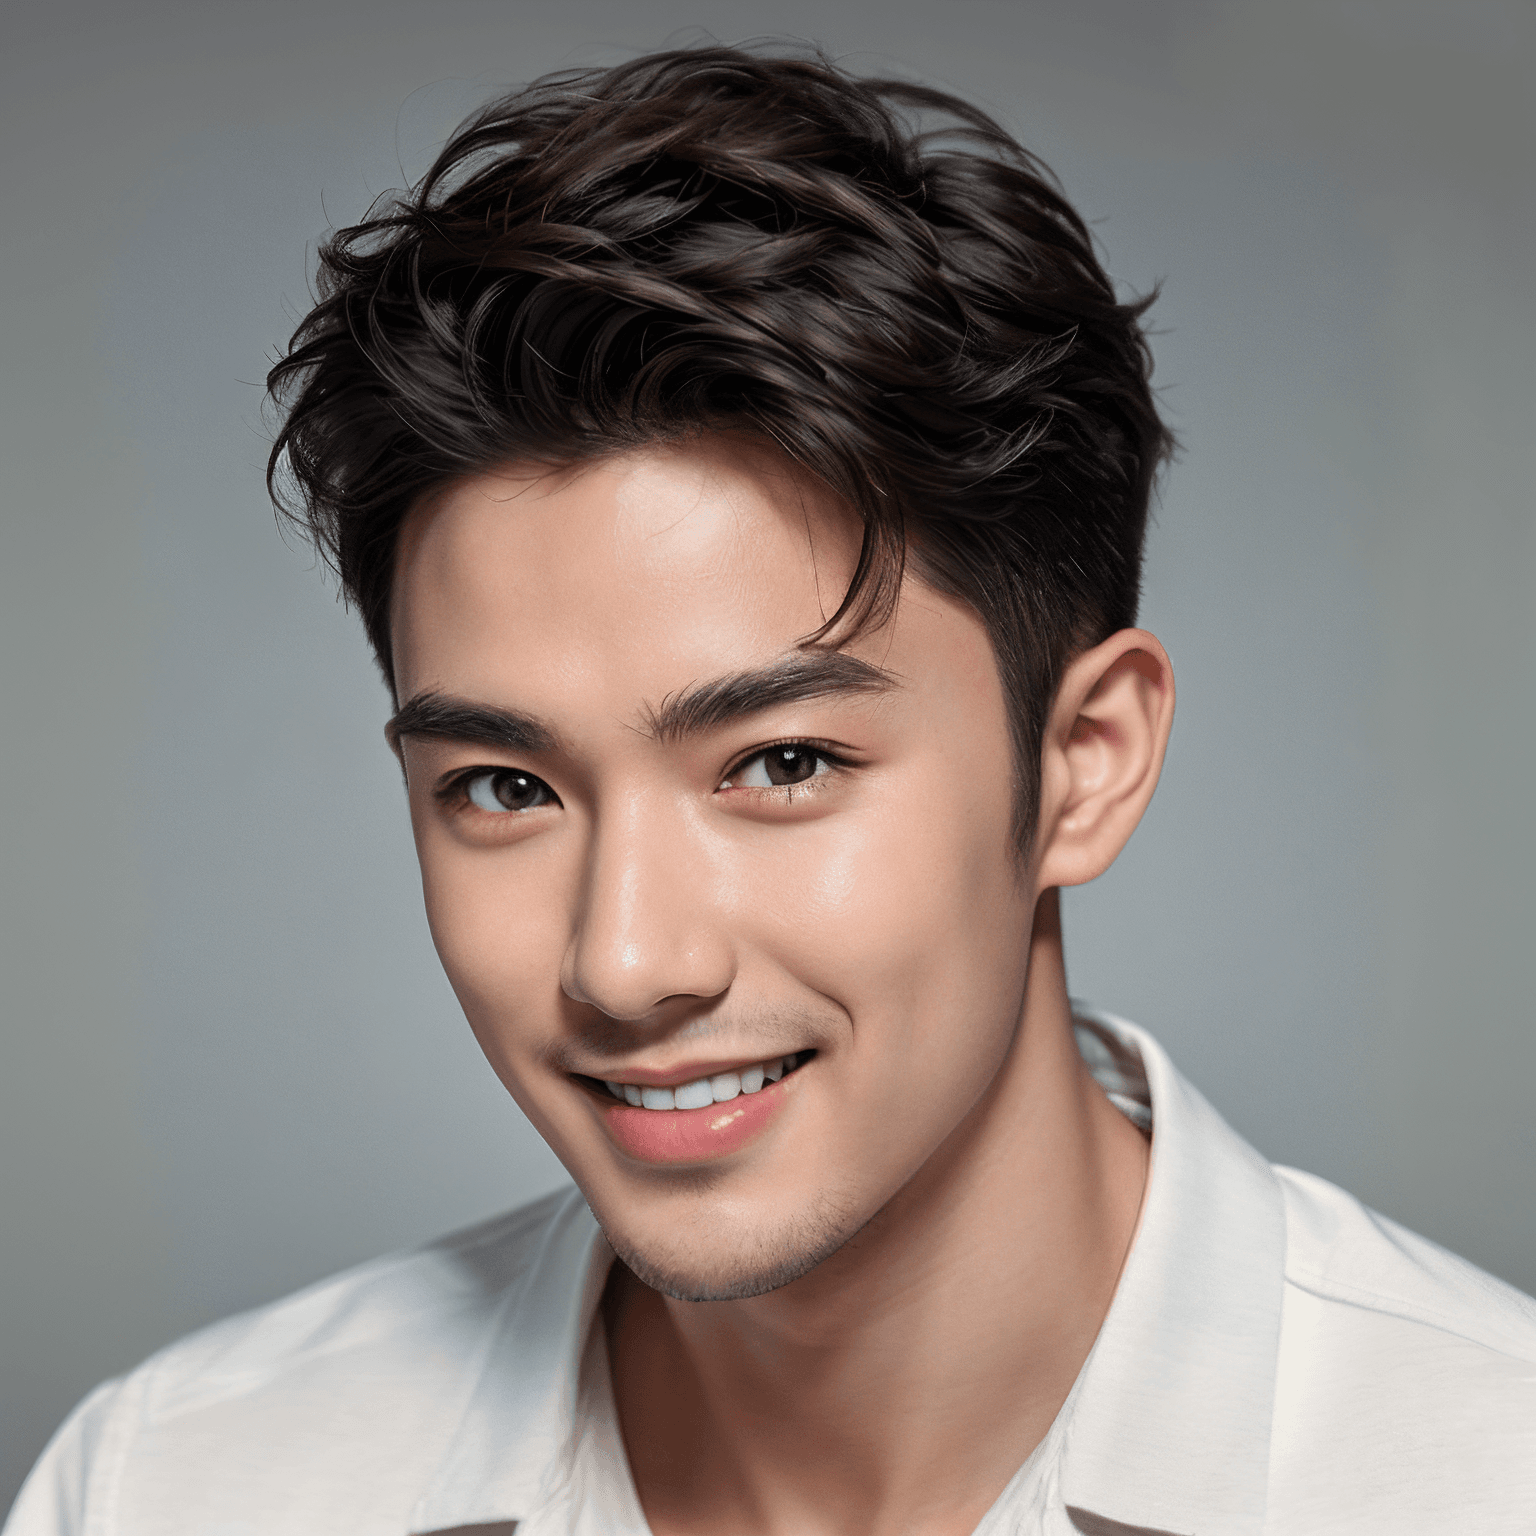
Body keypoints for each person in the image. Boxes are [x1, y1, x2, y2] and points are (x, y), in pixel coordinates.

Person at [9, 42, 1535, 1536]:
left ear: (1086, 764)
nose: (624, 962)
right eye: (503, 787)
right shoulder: (171, 1487)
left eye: (782, 765)